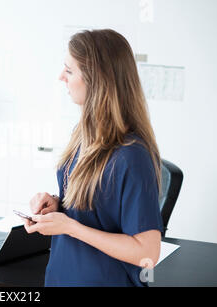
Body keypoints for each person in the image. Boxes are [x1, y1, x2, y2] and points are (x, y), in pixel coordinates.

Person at [24, 29, 164, 287]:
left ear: (96, 80)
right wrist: (56, 205)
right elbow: (93, 209)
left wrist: (70, 227)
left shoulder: (132, 156)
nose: (60, 77)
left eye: (69, 70)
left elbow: (147, 253)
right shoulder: (84, 134)